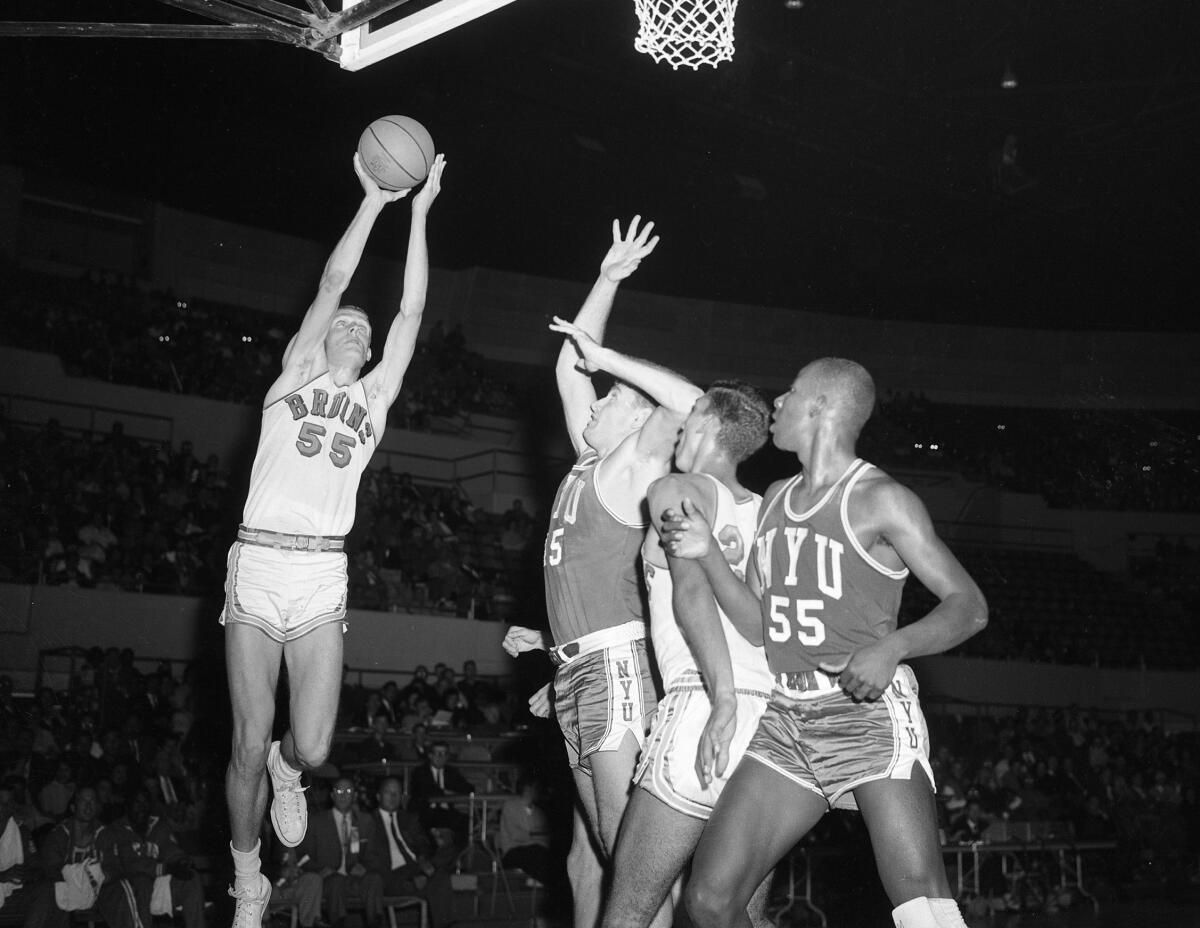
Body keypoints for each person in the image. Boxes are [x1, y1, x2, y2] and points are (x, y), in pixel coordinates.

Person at [661, 358, 988, 928]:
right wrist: (708, 553)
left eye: (790, 392)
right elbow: (760, 626)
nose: (777, 404)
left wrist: (893, 647)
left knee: (921, 904)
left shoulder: (882, 499)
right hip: (788, 717)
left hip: (863, 714)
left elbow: (970, 606)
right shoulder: (776, 497)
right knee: (710, 901)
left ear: (820, 406)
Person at [220, 151, 446, 927]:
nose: (355, 326)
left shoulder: (376, 400)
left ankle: (291, 770)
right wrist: (375, 203)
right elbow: (331, 284)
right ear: (320, 345)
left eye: (362, 327)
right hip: (258, 561)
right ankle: (248, 878)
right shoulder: (291, 380)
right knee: (246, 741)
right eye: (346, 324)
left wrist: (420, 212)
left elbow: (410, 314)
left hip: (320, 576)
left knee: (309, 749)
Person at [502, 217, 702, 928]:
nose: (599, 395)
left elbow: (693, 406)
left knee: (632, 853)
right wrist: (607, 279)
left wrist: (613, 359)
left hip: (616, 669)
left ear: (633, 419)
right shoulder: (590, 462)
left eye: (612, 396)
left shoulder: (635, 462)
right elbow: (567, 366)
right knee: (607, 847)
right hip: (574, 672)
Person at [602, 379, 777, 928]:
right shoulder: (771, 512)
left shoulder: (674, 488)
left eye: (690, 413)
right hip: (772, 722)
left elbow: (690, 585)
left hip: (705, 701)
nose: (680, 424)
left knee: (629, 910)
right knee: (733, 915)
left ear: (705, 422)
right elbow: (769, 626)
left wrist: (720, 695)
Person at [365, 777, 454, 928]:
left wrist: (423, 861)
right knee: (436, 881)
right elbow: (371, 859)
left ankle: (445, 924)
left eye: (397, 793)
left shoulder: (409, 819)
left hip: (416, 868)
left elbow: (424, 845)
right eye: (388, 792)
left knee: (444, 862)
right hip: (391, 875)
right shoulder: (368, 821)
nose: (393, 797)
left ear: (402, 797)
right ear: (378, 796)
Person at [298, 777, 384, 928]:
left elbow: (374, 855)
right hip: (329, 880)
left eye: (348, 791)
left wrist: (365, 866)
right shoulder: (316, 821)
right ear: (332, 796)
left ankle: (375, 922)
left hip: (356, 879)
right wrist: (319, 870)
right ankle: (338, 923)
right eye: (339, 791)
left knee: (374, 880)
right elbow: (302, 856)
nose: (343, 795)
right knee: (337, 882)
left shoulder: (365, 821)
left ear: (355, 796)